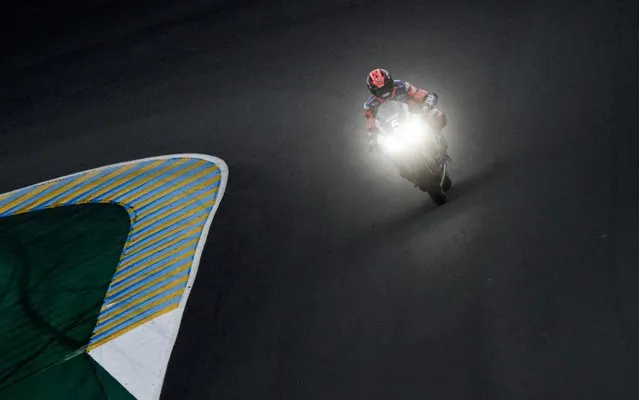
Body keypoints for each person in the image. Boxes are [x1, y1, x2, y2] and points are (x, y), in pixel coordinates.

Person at [363, 68, 449, 156]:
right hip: (392, 129)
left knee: (437, 115)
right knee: (382, 149)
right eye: (380, 90)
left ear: (391, 82)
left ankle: (437, 138)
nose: (385, 92)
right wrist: (372, 139)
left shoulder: (402, 86)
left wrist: (427, 102)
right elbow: (371, 125)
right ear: (372, 91)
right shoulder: (370, 105)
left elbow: (421, 94)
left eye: (386, 87)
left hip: (414, 116)